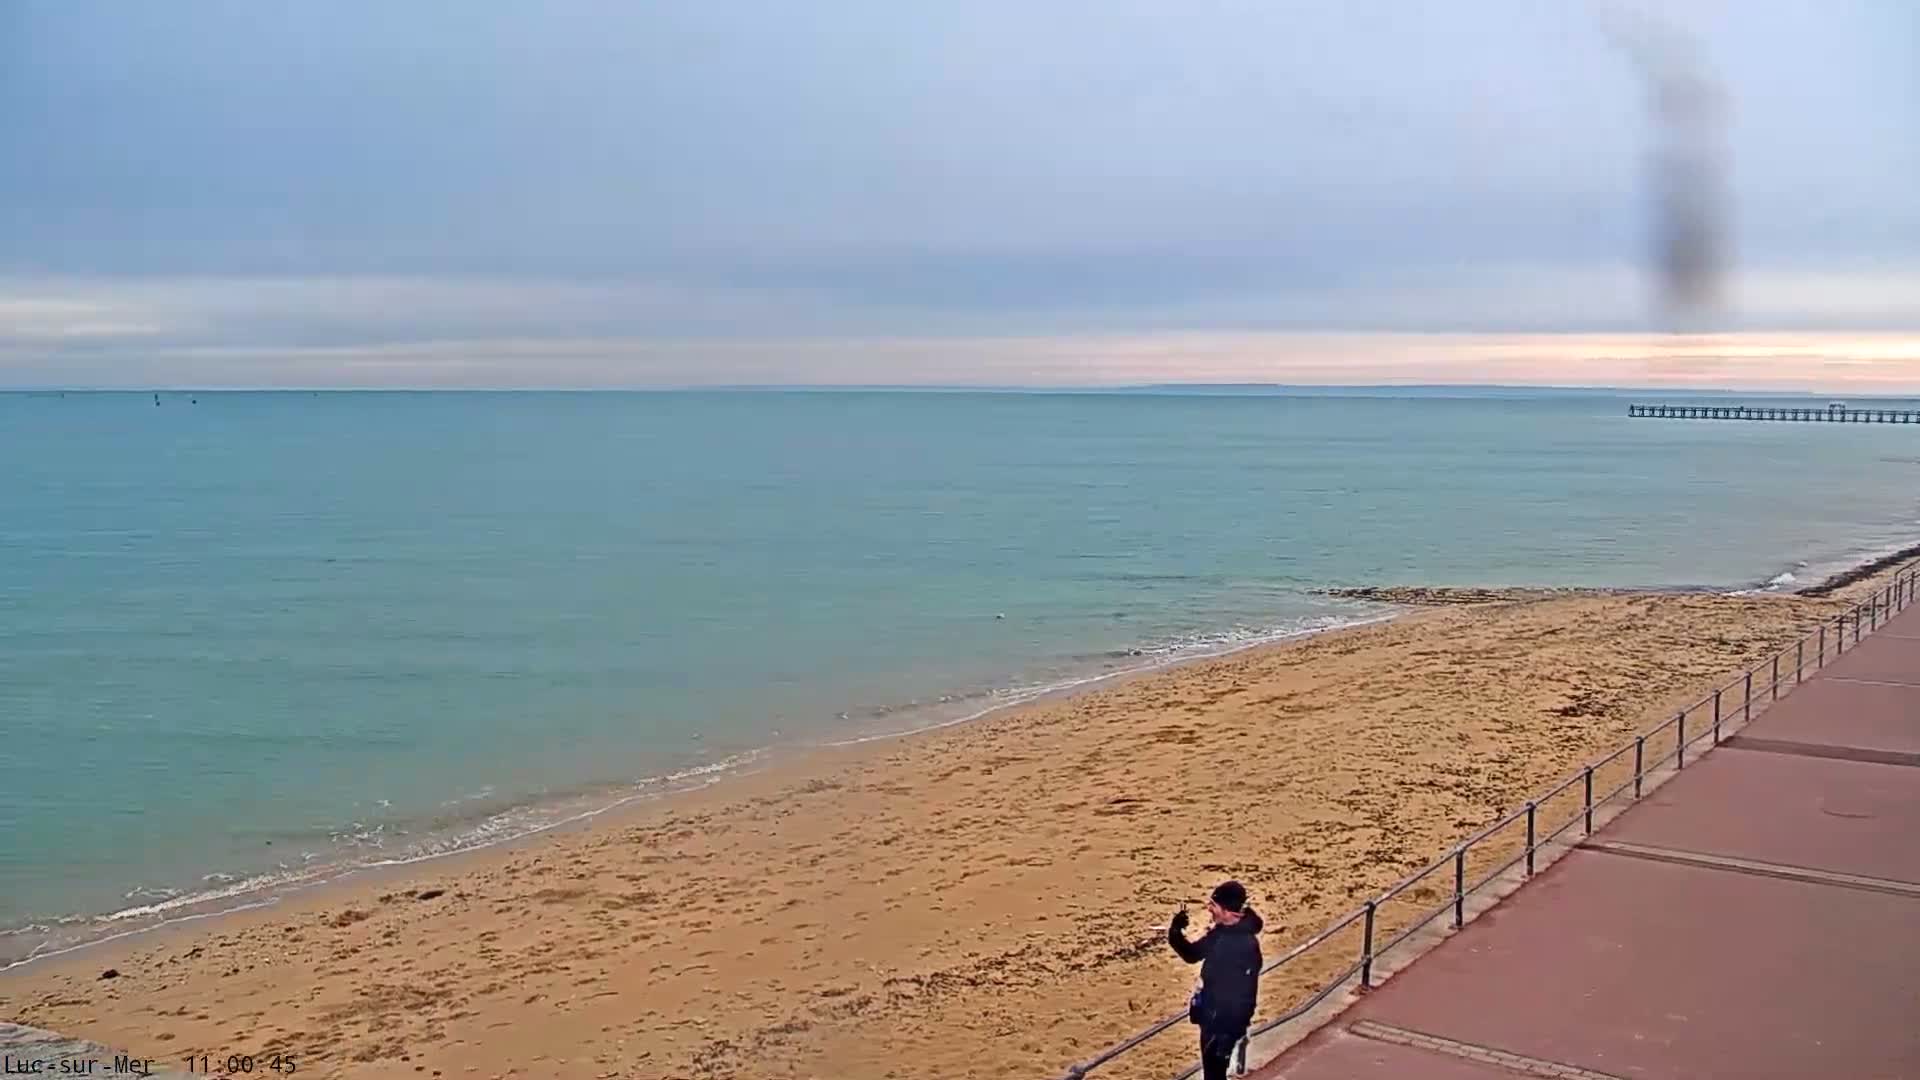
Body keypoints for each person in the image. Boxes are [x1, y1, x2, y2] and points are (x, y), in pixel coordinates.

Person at [1168, 880, 1263, 1080]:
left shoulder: (1245, 944)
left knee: (1214, 1076)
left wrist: (1232, 1030)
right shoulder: (1221, 933)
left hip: (1222, 1025)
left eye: (1214, 905)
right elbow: (1192, 954)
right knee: (1213, 1074)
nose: (1208, 908)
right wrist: (1175, 933)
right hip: (1212, 1019)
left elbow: (1246, 992)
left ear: (1228, 911)